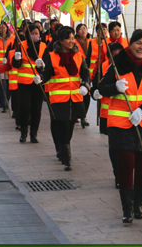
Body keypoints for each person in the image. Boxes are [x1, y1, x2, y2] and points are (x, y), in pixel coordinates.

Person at [96, 29, 142, 224]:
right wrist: (114, 88)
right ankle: (127, 209)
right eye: (138, 43)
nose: (141, 47)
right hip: (120, 124)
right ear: (131, 44)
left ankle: (138, 206)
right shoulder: (118, 63)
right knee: (126, 165)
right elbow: (102, 87)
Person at [37, 26, 91, 171]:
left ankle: (63, 146)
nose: (71, 41)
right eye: (68, 38)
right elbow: (47, 74)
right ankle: (67, 157)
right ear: (60, 40)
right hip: (58, 98)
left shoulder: (78, 55)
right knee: (63, 125)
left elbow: (85, 72)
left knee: (71, 124)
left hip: (75, 97)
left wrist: (86, 84)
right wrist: (40, 77)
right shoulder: (52, 55)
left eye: (73, 38)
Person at [93, 42, 124, 187]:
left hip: (131, 114)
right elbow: (95, 84)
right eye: (114, 57)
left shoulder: (133, 68)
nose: (117, 60)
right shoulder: (103, 68)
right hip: (109, 114)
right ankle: (118, 175)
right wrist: (95, 93)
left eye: (120, 56)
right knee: (115, 147)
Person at [10, 23, 47, 143]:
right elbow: (16, 65)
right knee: (25, 107)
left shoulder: (43, 46)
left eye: (37, 33)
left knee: (37, 109)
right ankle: (24, 132)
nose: (35, 36)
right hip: (24, 83)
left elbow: (47, 65)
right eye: (32, 34)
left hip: (38, 82)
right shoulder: (21, 45)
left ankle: (34, 134)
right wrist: (16, 58)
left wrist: (42, 68)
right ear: (28, 35)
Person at [75, 23, 97, 128]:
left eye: (85, 28)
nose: (83, 30)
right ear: (77, 32)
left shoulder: (92, 42)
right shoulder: (74, 42)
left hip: (89, 73)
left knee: (87, 95)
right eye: (80, 29)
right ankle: (77, 115)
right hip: (77, 72)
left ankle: (83, 117)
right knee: (78, 95)